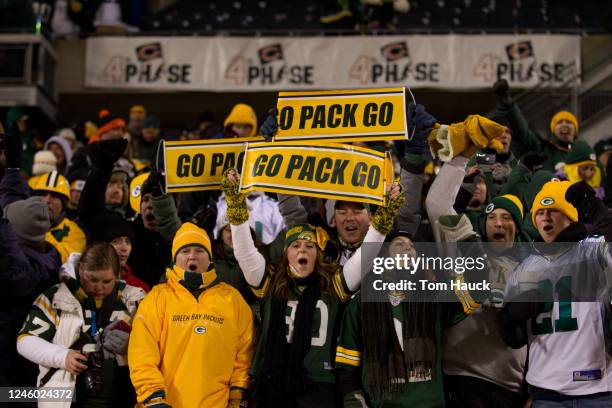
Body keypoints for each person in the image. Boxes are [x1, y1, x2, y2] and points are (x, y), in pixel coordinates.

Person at [222, 168, 404, 407]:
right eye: (295, 245)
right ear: (286, 253)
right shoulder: (270, 286)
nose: (302, 250)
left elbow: (365, 256)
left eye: (309, 246)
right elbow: (245, 254)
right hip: (272, 383)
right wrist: (236, 204)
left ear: (318, 255)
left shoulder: (333, 286)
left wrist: (385, 215)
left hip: (320, 386)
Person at [501, 180, 612, 406]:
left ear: (570, 216)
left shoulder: (594, 250)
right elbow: (513, 339)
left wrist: (603, 216)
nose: (545, 217)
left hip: (596, 387)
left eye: (553, 210)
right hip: (546, 390)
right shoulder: (523, 269)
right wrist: (510, 319)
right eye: (540, 212)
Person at [128, 222, 255, 407]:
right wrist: (153, 397)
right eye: (185, 251)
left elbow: (245, 355)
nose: (192, 256)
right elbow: (142, 353)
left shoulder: (233, 299)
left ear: (210, 258)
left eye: (199, 250)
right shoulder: (157, 297)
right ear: (175, 259)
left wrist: (238, 396)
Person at [17, 243, 146, 407]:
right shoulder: (55, 297)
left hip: (122, 397)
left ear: (117, 274)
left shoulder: (136, 301)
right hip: (64, 398)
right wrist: (62, 357)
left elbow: (161, 346)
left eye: (107, 281)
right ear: (81, 269)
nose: (99, 287)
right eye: (92, 279)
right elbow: (25, 341)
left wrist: (131, 346)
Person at [0, 197, 60, 387]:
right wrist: (13, 170)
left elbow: (11, 263)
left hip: (11, 364)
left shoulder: (21, 271)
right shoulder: (48, 255)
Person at [492, 79, 579, 172]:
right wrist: (509, 108)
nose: (564, 125)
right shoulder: (541, 150)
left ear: (576, 130)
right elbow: (522, 133)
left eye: (569, 122)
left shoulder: (584, 154)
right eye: (559, 122)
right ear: (553, 129)